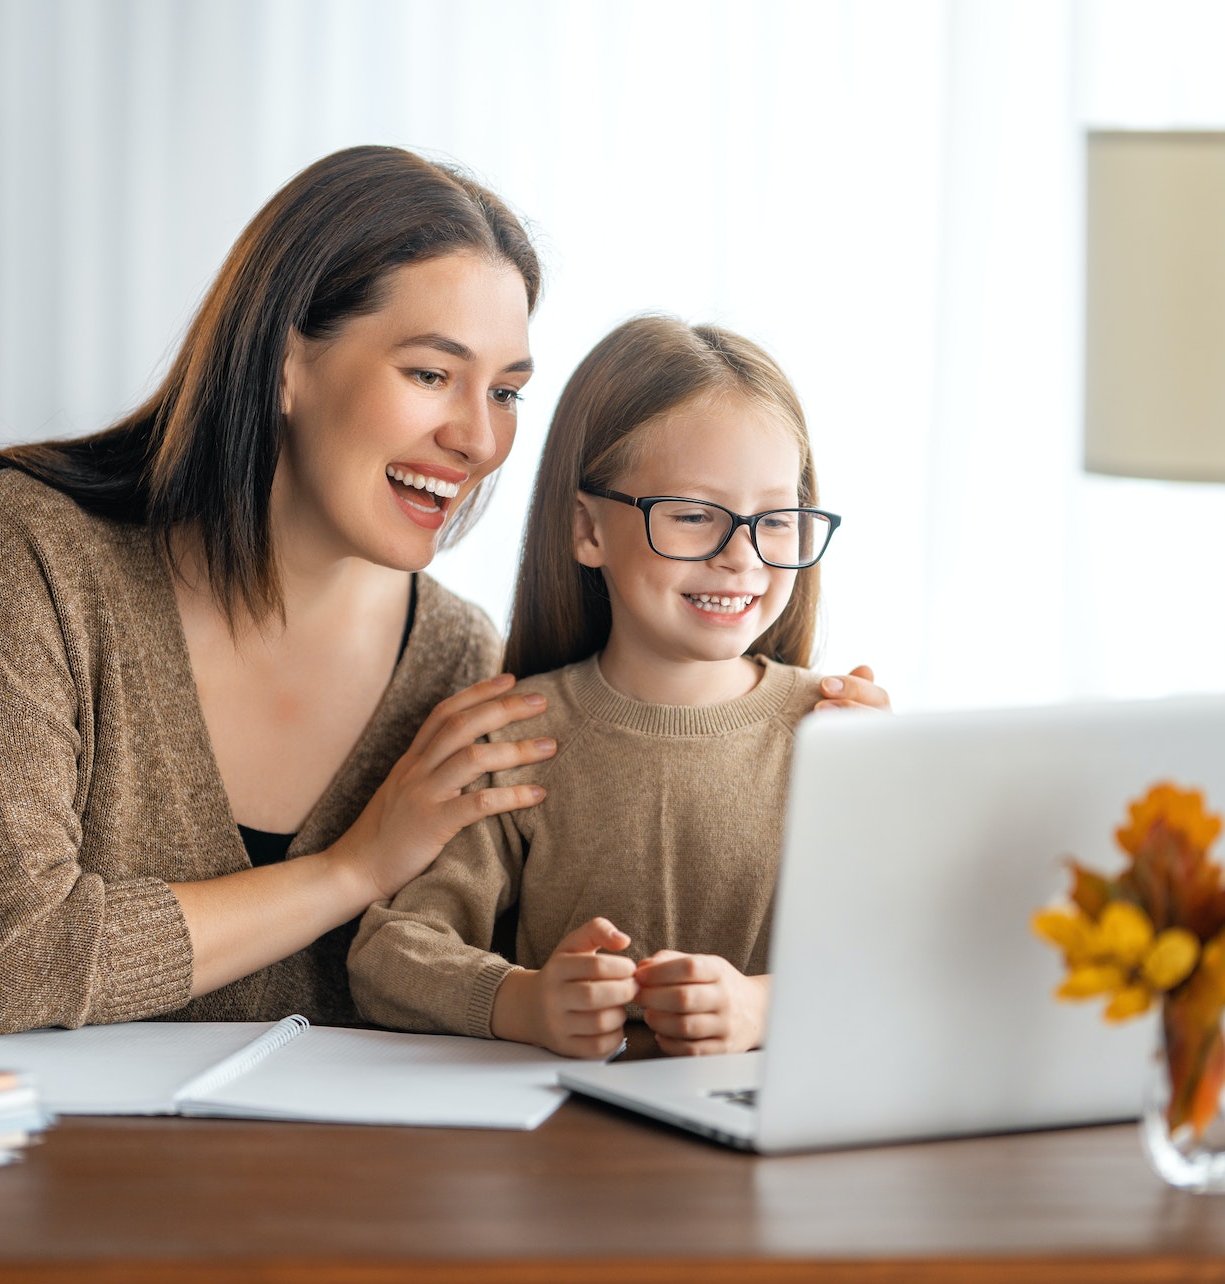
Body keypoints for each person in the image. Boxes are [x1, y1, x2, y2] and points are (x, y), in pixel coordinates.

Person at [0, 146, 563, 1033]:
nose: (480, 438)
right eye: (432, 374)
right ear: (287, 361)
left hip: (255, 1166)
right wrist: (353, 868)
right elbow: (12, 964)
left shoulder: (464, 665)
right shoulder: (29, 549)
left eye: (506, 392)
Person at [348, 315, 890, 1058]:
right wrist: (522, 998)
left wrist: (767, 1006)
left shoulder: (837, 732)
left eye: (777, 519)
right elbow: (387, 956)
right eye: (696, 515)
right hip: (569, 1147)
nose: (742, 557)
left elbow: (921, 956)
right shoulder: (517, 735)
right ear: (589, 530)